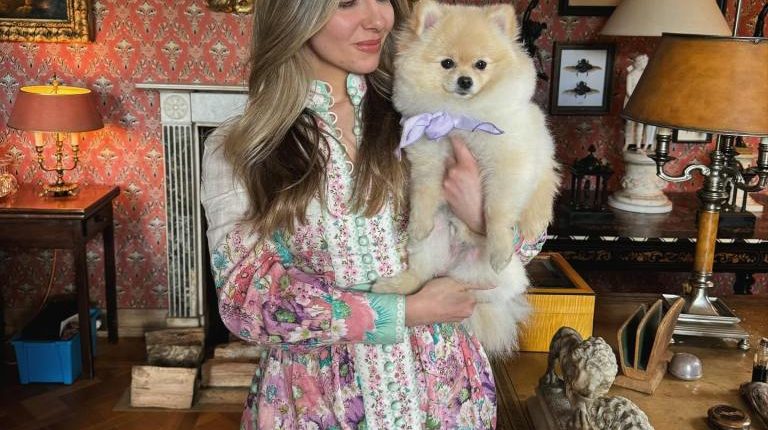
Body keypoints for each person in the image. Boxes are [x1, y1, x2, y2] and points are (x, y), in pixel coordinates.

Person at [201, 0, 547, 428]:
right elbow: (244, 301)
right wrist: (405, 312)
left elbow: (528, 246)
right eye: (346, 2)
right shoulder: (240, 147)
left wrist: (480, 218)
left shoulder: (428, 115)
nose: (377, 19)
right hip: (316, 405)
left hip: (446, 396)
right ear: (295, 12)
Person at [623, 54, 656, 153]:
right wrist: (636, 100)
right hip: (631, 102)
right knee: (629, 123)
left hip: (641, 102)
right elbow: (628, 91)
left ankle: (638, 146)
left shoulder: (644, 75)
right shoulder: (631, 75)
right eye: (645, 62)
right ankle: (627, 142)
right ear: (640, 63)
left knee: (640, 124)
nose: (646, 65)